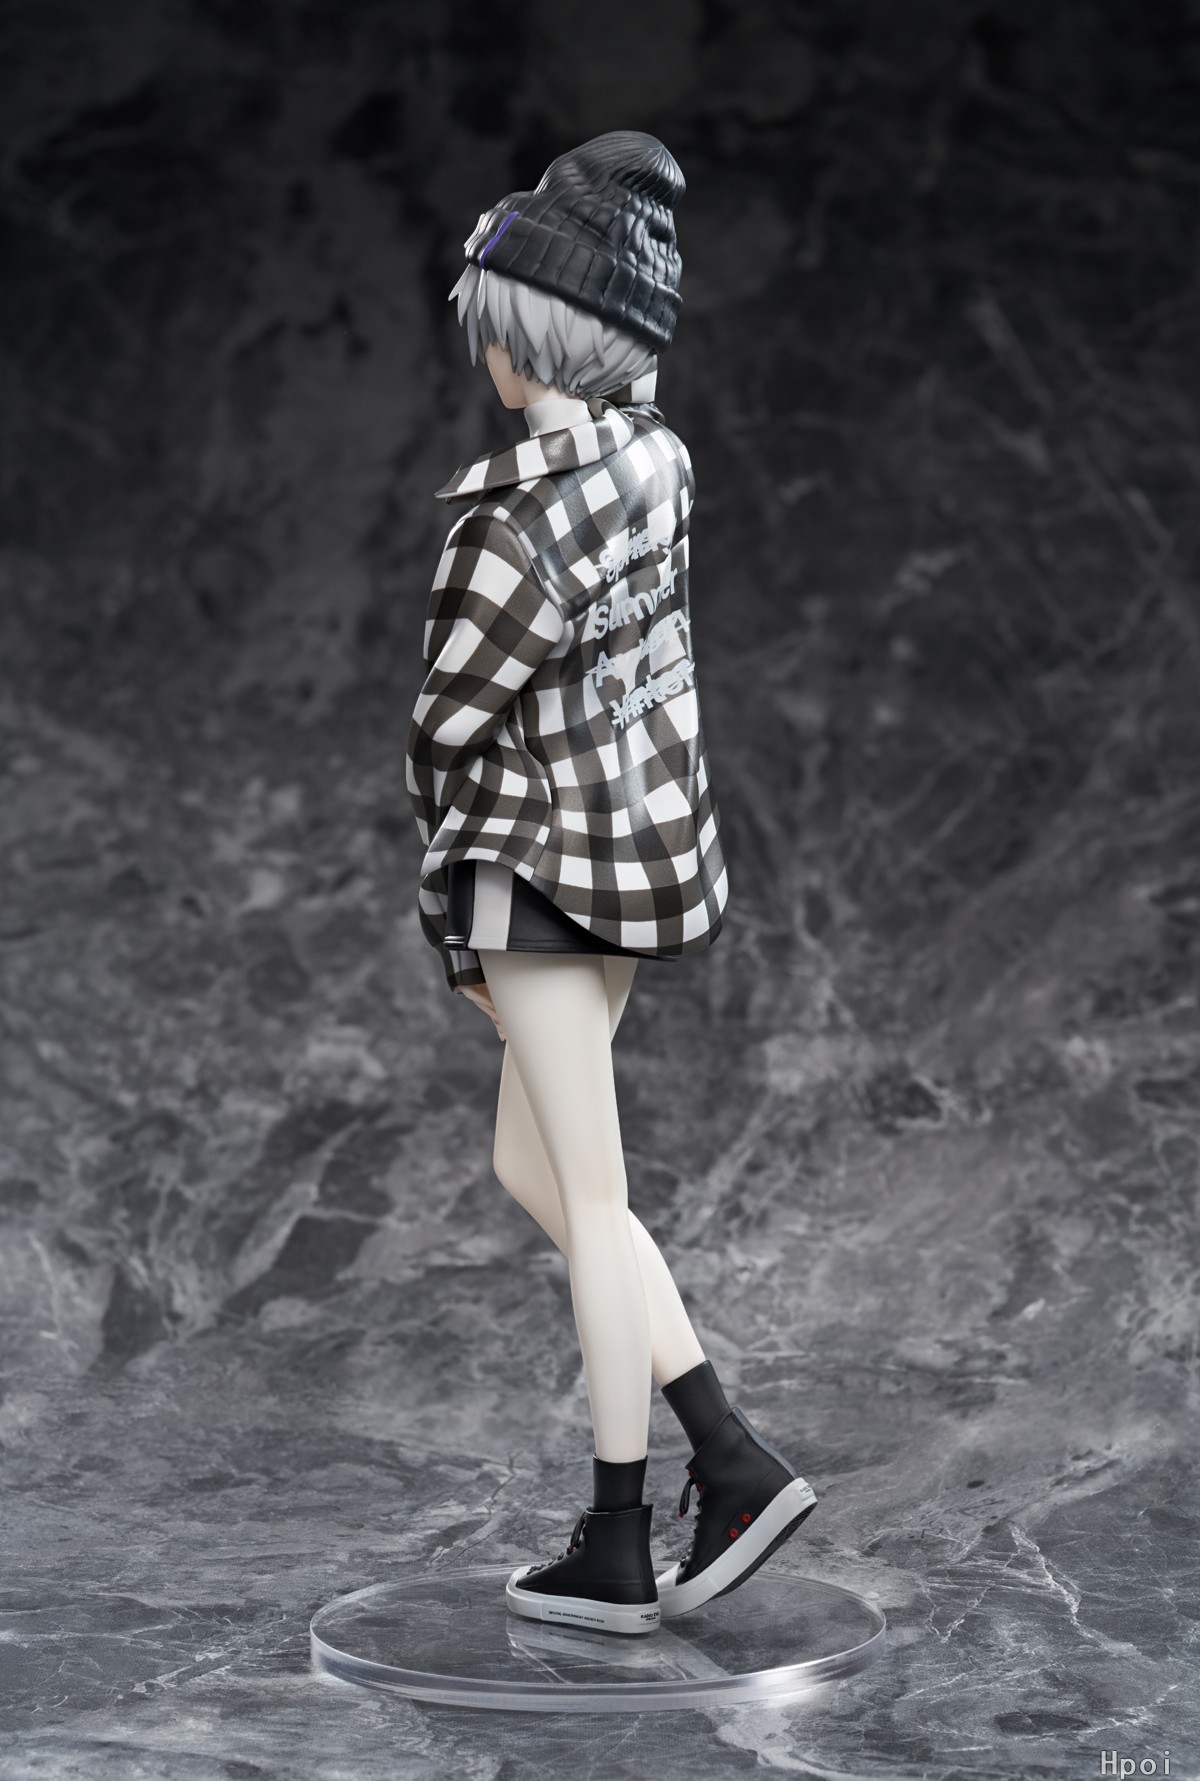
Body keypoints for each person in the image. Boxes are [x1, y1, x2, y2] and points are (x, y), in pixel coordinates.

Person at [405, 131, 816, 1635]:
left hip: (530, 868)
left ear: (525, 337)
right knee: (542, 1174)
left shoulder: (512, 523)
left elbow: (445, 729)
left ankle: (626, 1530)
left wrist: (450, 920)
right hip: (638, 861)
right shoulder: (660, 465)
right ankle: (727, 1451)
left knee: (588, 1193)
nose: (485, 354)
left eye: (492, 327)